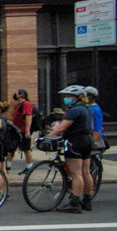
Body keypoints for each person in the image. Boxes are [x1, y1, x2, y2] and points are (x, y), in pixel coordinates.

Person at [46, 85, 94, 213]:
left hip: (75, 142)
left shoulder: (74, 110)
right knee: (86, 172)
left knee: (76, 173)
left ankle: (74, 202)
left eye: (68, 96)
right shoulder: (87, 108)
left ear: (77, 97)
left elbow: (62, 128)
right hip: (87, 140)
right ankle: (87, 200)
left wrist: (46, 137)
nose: (66, 99)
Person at [11, 89, 35, 174]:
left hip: (23, 130)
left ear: (20, 95)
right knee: (12, 148)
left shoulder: (26, 104)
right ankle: (8, 165)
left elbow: (28, 117)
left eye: (16, 93)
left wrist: (27, 130)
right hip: (17, 130)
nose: (14, 95)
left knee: (26, 149)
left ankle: (30, 167)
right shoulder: (19, 105)